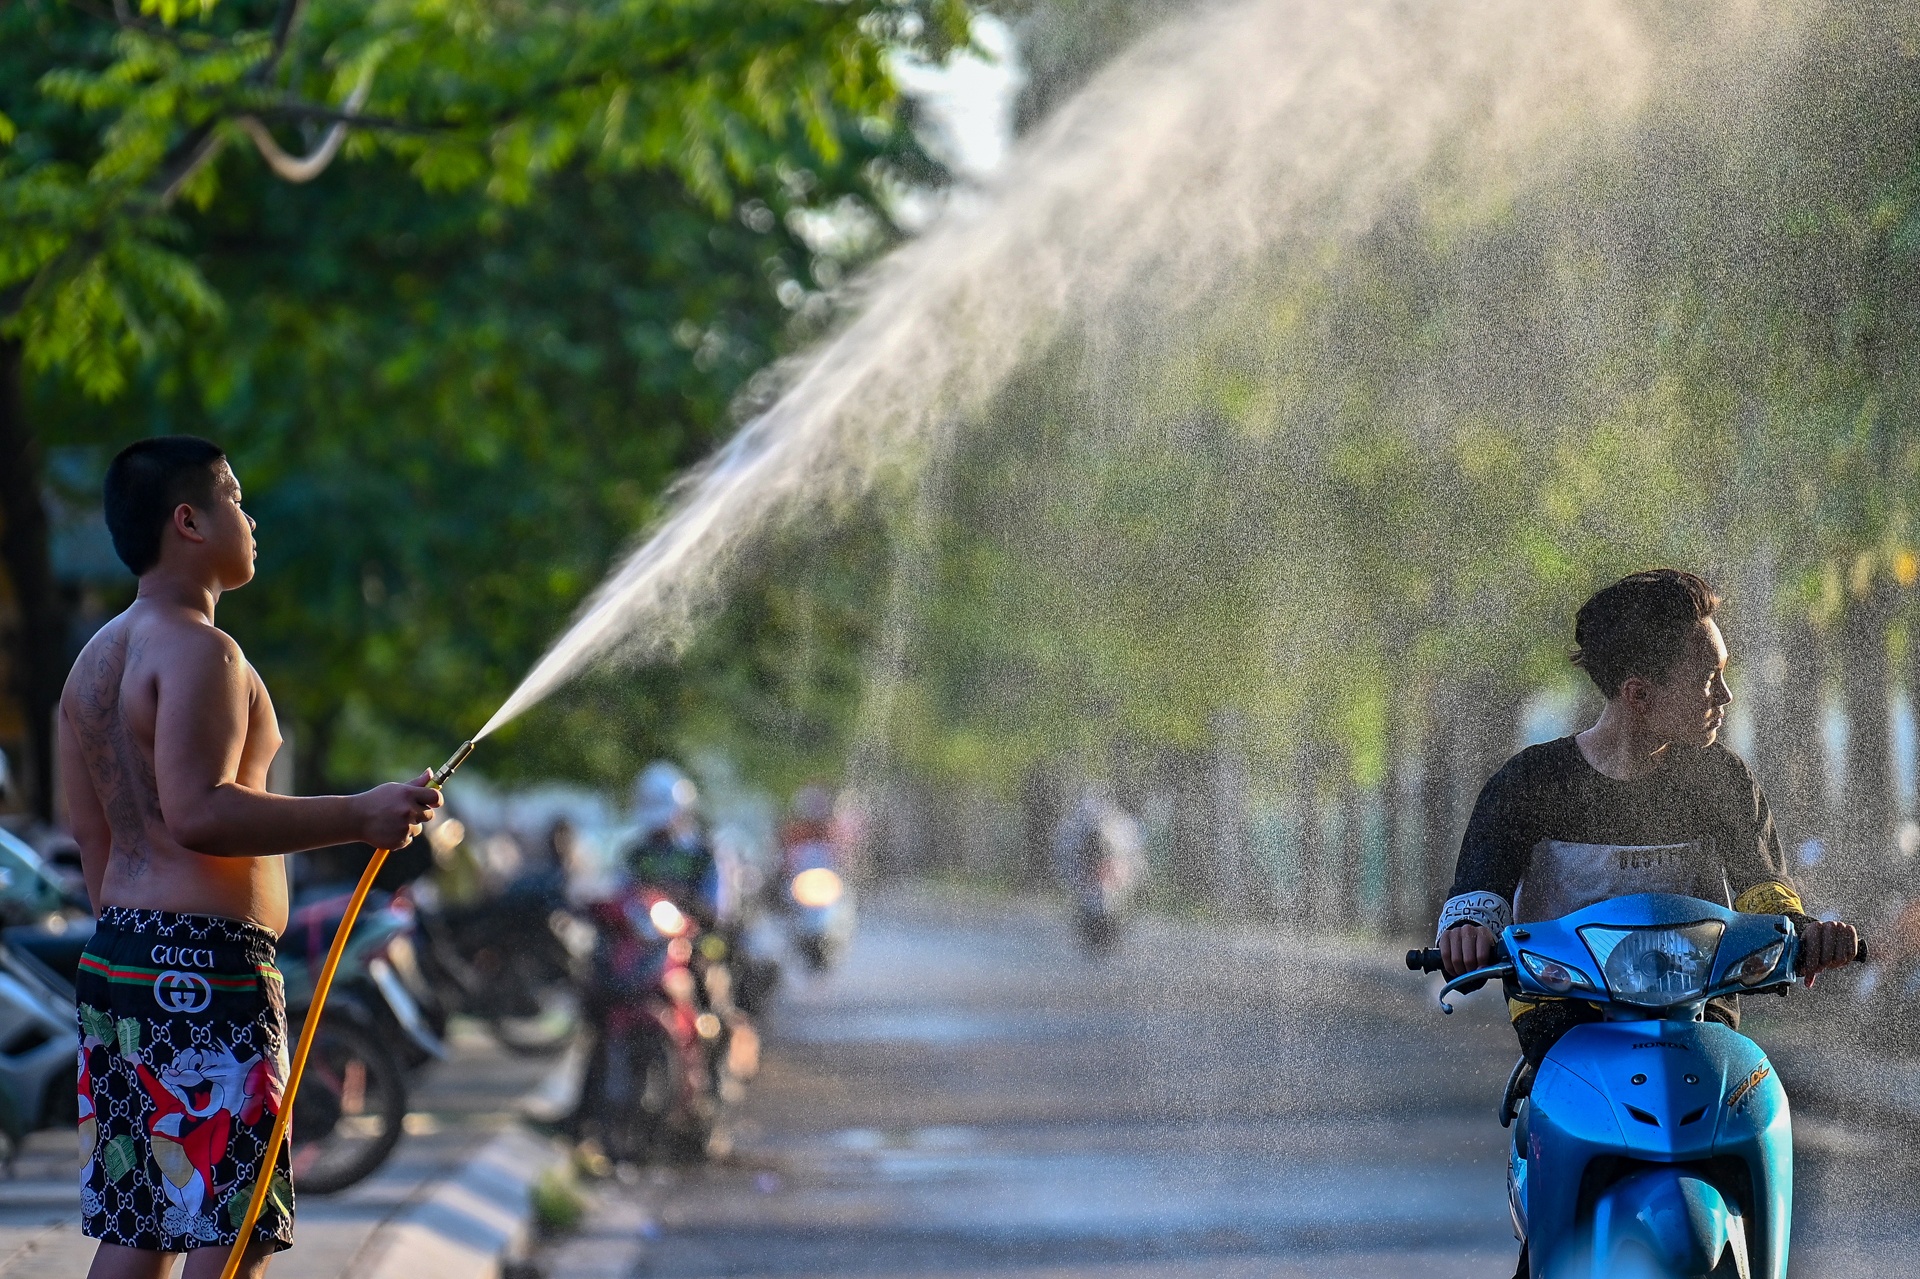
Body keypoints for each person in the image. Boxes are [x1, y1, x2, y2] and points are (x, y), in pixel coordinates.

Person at [59, 437, 441, 1279]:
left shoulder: (92, 664)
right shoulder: (203, 650)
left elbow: (90, 831)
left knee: (143, 1219)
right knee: (235, 1226)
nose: (251, 517)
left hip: (121, 958)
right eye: (235, 498)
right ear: (188, 521)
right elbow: (199, 810)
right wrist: (361, 812)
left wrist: (140, 944)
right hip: (208, 970)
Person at [1438, 570, 1859, 1055]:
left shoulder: (1723, 780)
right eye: (1708, 679)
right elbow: (1477, 898)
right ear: (1637, 694)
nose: (1725, 696)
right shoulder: (1527, 785)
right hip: (1561, 1012)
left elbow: (1765, 894)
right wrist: (1466, 932)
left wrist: (1809, 935)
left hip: (1700, 1010)